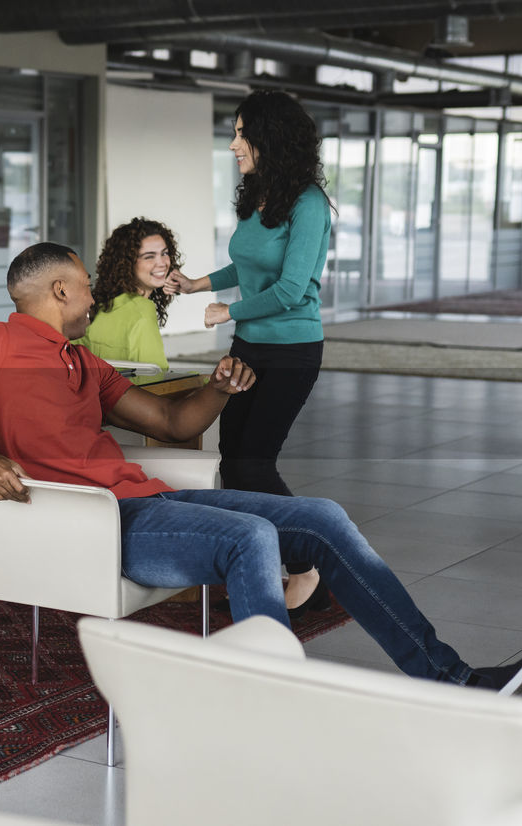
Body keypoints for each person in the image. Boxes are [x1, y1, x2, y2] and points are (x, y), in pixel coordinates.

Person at [0, 242, 522, 695]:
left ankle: (453, 680)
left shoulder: (83, 360)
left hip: (145, 505)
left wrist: (219, 389)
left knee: (322, 518)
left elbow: (171, 424)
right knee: (250, 537)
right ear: (57, 289)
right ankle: (271, 709)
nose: (93, 298)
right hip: (91, 524)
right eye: (83, 288)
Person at [172, 90, 331, 618]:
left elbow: (290, 289)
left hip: (290, 352)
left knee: (253, 462)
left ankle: (310, 567)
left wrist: (227, 312)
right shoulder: (260, 194)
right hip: (249, 349)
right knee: (233, 464)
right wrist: (198, 284)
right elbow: (248, 263)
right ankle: (265, 568)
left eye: (242, 133)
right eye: (235, 132)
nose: (234, 144)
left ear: (271, 139)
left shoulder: (308, 204)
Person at [72, 217, 181, 379]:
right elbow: (156, 379)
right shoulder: (142, 311)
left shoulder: (99, 304)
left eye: (164, 253)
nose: (162, 263)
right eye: (149, 256)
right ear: (127, 263)